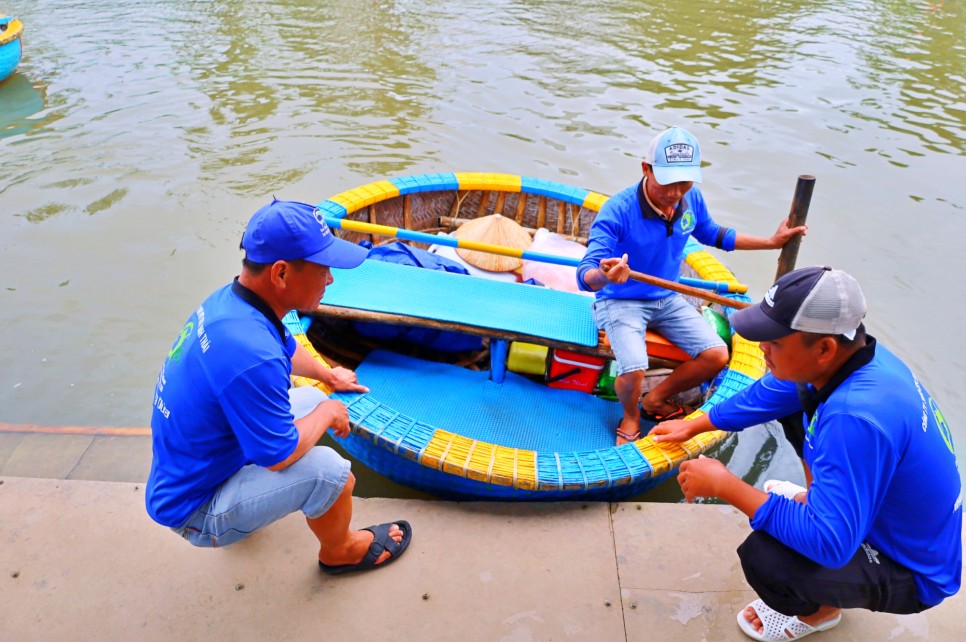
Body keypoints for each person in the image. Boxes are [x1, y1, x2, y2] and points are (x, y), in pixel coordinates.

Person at [650, 266, 962, 641]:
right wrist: (696, 424)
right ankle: (819, 503)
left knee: (768, 560)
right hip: (893, 517)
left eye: (775, 342)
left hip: (913, 571)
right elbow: (769, 392)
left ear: (825, 348)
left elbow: (830, 545)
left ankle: (820, 612)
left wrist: (725, 485)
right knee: (795, 399)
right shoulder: (859, 359)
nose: (763, 349)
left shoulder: (854, 418)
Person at [146, 199, 413, 574]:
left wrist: (329, 376)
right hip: (196, 510)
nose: (331, 279)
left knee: (307, 395)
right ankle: (341, 551)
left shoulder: (233, 303)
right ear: (282, 274)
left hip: (190, 468)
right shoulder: (252, 355)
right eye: (323, 270)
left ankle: (262, 499)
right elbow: (280, 454)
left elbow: (285, 348)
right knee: (333, 472)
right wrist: (327, 411)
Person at [577, 126, 806, 444]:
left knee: (716, 355)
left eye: (683, 182)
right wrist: (605, 275)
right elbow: (585, 273)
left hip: (668, 299)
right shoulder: (617, 210)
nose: (675, 193)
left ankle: (654, 400)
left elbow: (714, 234)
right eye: (667, 182)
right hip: (620, 300)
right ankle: (629, 416)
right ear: (646, 169)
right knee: (633, 367)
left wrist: (771, 241)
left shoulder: (690, 199)